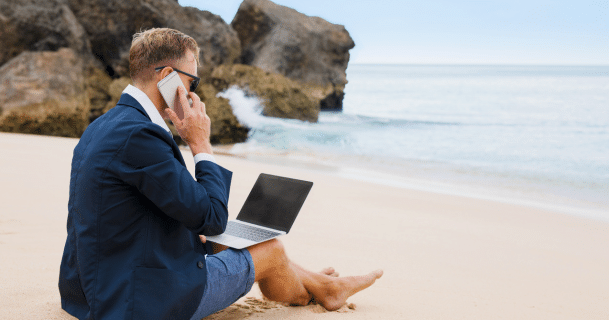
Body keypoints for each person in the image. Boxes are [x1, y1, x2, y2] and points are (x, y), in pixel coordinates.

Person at [58, 28, 383, 320]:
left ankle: (317, 281)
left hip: (89, 291)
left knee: (220, 239)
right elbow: (211, 216)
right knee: (271, 249)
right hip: (138, 303)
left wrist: (199, 232)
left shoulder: (105, 126)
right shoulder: (139, 136)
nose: (192, 94)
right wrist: (200, 144)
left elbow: (149, 210)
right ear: (167, 76)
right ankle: (317, 290)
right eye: (191, 82)